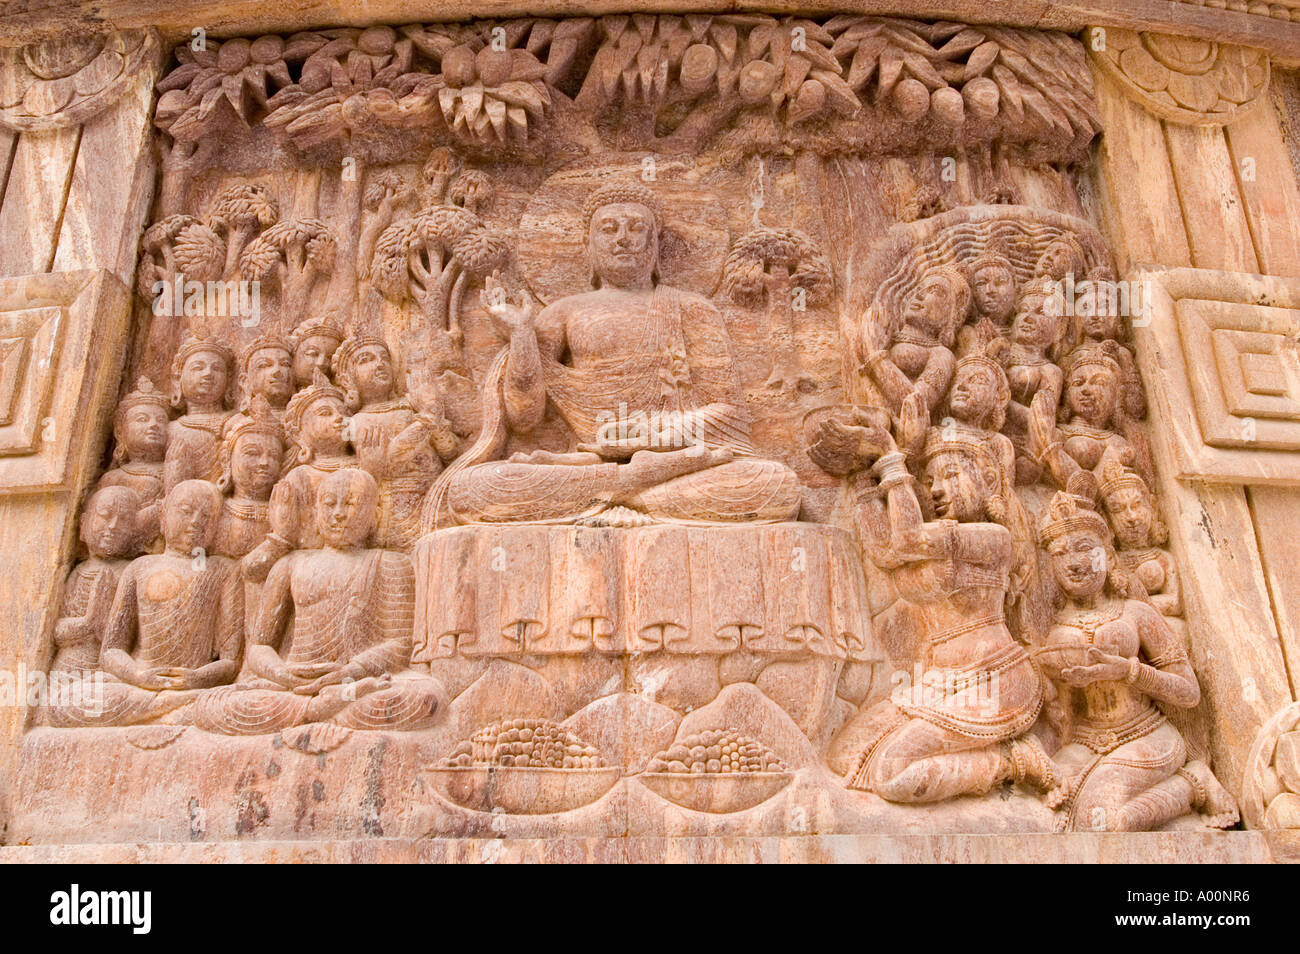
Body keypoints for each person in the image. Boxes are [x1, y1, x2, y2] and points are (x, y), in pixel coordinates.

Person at [428, 182, 802, 527]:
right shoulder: (564, 312)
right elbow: (525, 416)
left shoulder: (692, 309)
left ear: (655, 245)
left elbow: (730, 414)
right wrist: (522, 334)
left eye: (636, 228)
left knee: (775, 485)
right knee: (474, 488)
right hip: (592, 464)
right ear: (587, 246)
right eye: (608, 229)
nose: (623, 239)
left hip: (676, 463)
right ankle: (634, 487)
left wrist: (650, 435)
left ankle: (619, 490)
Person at [810, 410, 1061, 805]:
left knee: (893, 776)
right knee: (844, 756)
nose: (937, 490)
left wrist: (889, 454)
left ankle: (1014, 762)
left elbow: (908, 539)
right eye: (929, 481)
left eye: (951, 475)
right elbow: (883, 549)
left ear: (988, 481)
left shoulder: (994, 539)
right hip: (937, 684)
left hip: (992, 680)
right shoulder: (936, 540)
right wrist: (860, 471)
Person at [1035, 492, 1237, 831]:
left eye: (1084, 548)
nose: (1072, 561)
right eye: (1059, 553)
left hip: (1145, 734)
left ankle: (1193, 783)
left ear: (1109, 558)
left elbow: (1189, 693)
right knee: (1041, 821)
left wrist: (1130, 671)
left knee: (1102, 822)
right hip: (1084, 742)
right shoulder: (1048, 627)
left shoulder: (1135, 613)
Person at [194, 468, 444, 733]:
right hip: (292, 686)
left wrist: (350, 672)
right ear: (315, 512)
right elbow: (259, 646)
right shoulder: (290, 564)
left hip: (356, 684)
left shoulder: (391, 563)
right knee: (213, 704)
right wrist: (282, 674)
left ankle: (317, 709)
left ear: (375, 515)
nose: (338, 513)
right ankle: (319, 708)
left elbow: (400, 643)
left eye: (350, 504)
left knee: (425, 698)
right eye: (329, 503)